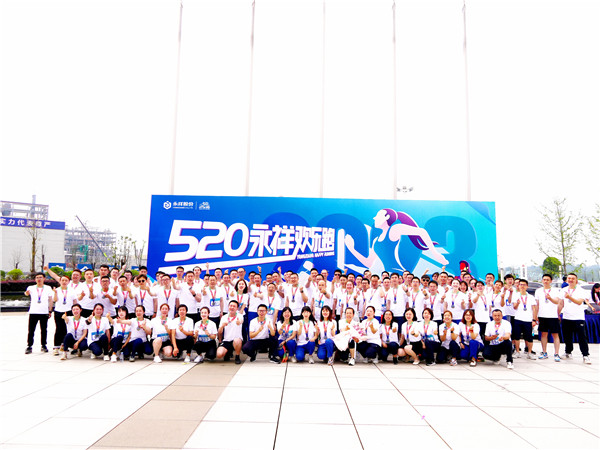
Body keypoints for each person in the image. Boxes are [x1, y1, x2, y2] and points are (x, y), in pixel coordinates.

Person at [559, 273, 592, 364]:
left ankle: (585, 355)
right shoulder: (563, 290)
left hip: (578, 318)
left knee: (582, 337)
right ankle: (568, 352)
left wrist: (569, 297)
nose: (570, 280)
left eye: (573, 278)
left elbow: (579, 302)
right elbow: (561, 303)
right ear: (567, 280)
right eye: (569, 278)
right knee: (567, 337)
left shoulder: (581, 290)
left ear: (576, 280)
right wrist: (558, 313)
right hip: (566, 317)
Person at [534, 274, 562, 361]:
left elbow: (557, 301)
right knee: (543, 334)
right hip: (542, 316)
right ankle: (544, 352)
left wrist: (550, 298)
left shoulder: (555, 290)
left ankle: (556, 353)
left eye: (547, 280)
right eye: (544, 279)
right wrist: (535, 316)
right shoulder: (538, 291)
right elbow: (537, 304)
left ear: (551, 281)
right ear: (542, 280)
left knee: (555, 335)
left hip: (552, 316)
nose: (545, 281)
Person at [51, 275, 78, 355]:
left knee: (67, 329)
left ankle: (64, 345)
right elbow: (55, 300)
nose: (64, 282)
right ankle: (56, 347)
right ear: (60, 281)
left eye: (66, 280)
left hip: (69, 311)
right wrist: (55, 293)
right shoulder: (56, 290)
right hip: (59, 311)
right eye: (62, 280)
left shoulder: (71, 290)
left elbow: (74, 301)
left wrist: (75, 311)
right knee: (59, 329)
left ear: (69, 282)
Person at [512, 279, 536, 359]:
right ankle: (517, 351)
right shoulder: (515, 295)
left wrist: (534, 320)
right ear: (518, 286)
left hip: (528, 320)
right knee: (517, 336)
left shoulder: (531, 297)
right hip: (518, 319)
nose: (522, 286)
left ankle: (529, 352)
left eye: (524, 285)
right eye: (521, 284)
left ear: (527, 286)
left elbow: (534, 309)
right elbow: (514, 307)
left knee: (529, 337)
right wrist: (518, 303)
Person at [217, 300, 244, 364]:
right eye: (230, 306)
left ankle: (237, 356)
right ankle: (228, 352)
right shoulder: (224, 317)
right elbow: (219, 332)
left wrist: (239, 322)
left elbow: (241, 321)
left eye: (234, 306)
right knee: (219, 354)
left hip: (236, 340)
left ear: (237, 308)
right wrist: (222, 326)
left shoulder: (240, 316)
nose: (232, 307)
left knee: (237, 341)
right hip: (227, 340)